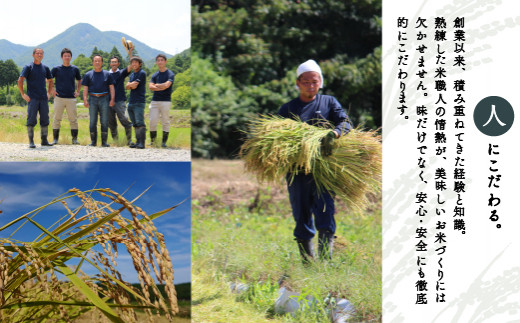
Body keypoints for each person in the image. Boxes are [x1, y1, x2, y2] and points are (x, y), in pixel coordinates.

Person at [278, 59, 351, 262]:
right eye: (306, 82)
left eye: (315, 81)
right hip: (297, 171)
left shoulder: (329, 102)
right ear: (298, 83)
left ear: (320, 82)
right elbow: (277, 137)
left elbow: (345, 122)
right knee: (301, 216)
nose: (311, 86)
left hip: (324, 170)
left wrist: (335, 134)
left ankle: (326, 261)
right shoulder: (288, 109)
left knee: (325, 213)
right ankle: (307, 262)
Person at [17, 47, 54, 148]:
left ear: (43, 55)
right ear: (33, 55)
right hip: (32, 98)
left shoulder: (45, 68)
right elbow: (20, 80)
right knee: (31, 119)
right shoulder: (28, 67)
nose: (39, 55)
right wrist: (23, 94)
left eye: (41, 53)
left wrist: (49, 93)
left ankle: (44, 140)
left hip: (43, 98)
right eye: (37, 53)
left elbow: (50, 80)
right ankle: (31, 142)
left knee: (45, 119)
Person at [81, 55, 115, 147]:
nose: (97, 63)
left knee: (104, 121)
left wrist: (112, 99)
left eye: (99, 61)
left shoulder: (107, 74)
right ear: (92, 62)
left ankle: (104, 142)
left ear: (102, 62)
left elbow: (111, 87)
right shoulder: (88, 74)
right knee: (92, 121)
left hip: (105, 98)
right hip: (92, 99)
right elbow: (85, 88)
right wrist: (85, 99)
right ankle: (93, 142)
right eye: (95, 61)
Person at [50, 48, 82, 145]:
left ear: (71, 57)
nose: (67, 57)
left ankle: (74, 139)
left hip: (71, 98)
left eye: (68, 56)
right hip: (59, 98)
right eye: (65, 56)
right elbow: (48, 79)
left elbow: (80, 80)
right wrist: (52, 90)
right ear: (62, 57)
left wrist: (78, 91)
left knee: (73, 119)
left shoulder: (75, 69)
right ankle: (55, 139)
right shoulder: (56, 69)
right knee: (56, 118)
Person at [148, 54, 175, 147]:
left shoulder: (170, 74)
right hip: (154, 101)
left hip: (166, 101)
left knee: (165, 121)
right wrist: (161, 86)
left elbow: (167, 85)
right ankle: (153, 142)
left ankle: (164, 143)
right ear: (156, 62)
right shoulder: (155, 74)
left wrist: (156, 85)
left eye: (162, 60)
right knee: (152, 121)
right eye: (158, 60)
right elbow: (150, 87)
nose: (160, 62)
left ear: (165, 61)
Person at [108, 55, 133, 145]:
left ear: (118, 64)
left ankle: (129, 141)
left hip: (120, 101)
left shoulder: (121, 73)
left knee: (125, 120)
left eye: (115, 62)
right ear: (110, 64)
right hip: (109, 102)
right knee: (111, 123)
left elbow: (131, 65)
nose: (114, 64)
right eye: (112, 62)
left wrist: (130, 53)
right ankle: (116, 142)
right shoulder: (107, 74)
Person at [126, 56, 147, 149]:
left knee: (140, 122)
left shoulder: (142, 73)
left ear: (140, 64)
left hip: (139, 101)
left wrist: (130, 85)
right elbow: (127, 87)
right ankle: (137, 142)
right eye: (132, 63)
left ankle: (142, 143)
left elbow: (133, 86)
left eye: (136, 62)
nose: (134, 64)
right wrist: (130, 85)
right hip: (131, 101)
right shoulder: (132, 75)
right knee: (134, 123)